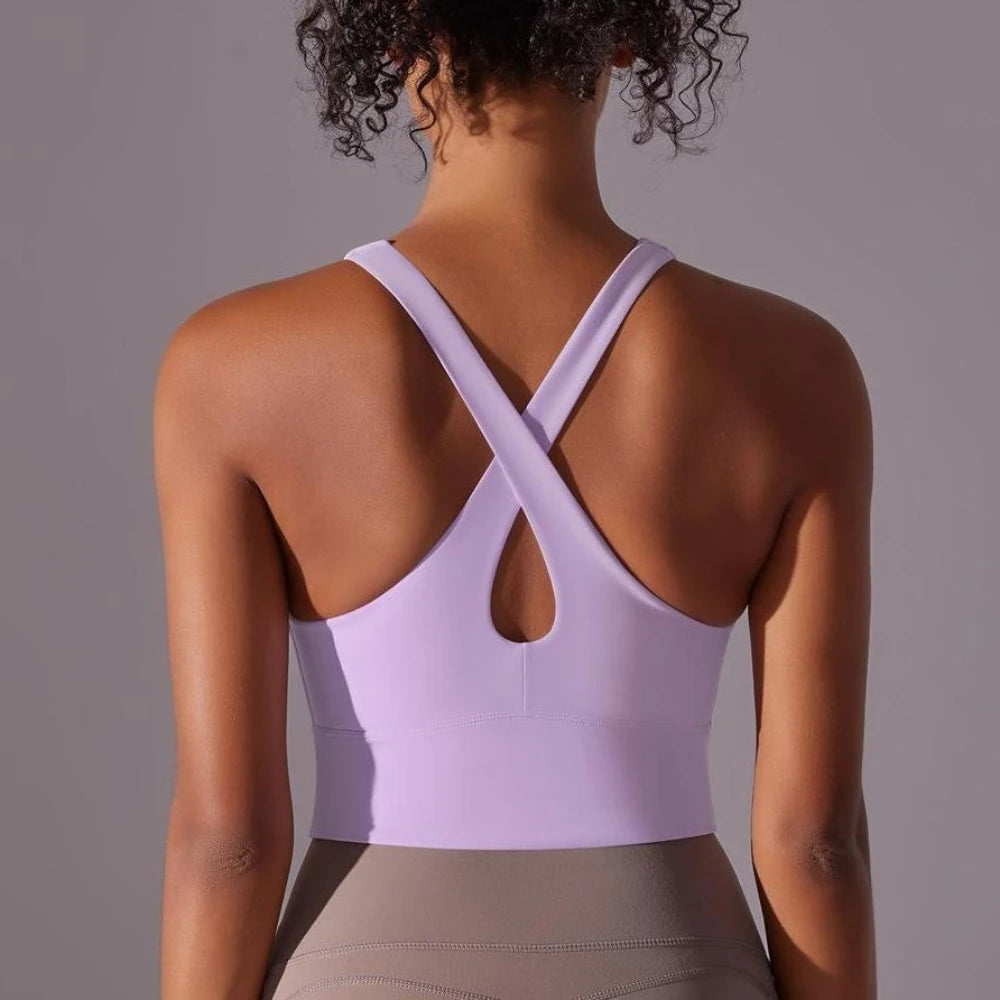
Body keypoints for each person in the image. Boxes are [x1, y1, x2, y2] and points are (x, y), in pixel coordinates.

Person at [154, 3, 877, 998]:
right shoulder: (795, 369)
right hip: (679, 961)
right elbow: (815, 842)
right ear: (627, 32)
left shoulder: (232, 366)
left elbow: (228, 842)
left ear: (391, 34)